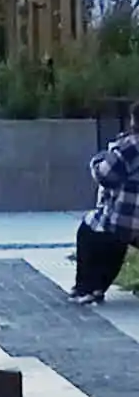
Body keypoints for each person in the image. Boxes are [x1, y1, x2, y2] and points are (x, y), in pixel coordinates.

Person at [69, 102, 139, 304]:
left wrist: (98, 159)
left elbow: (104, 175)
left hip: (125, 219)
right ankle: (97, 286)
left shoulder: (129, 146)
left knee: (90, 230)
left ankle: (87, 286)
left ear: (134, 120)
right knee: (117, 239)